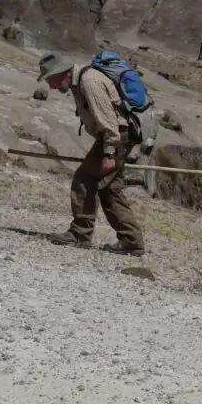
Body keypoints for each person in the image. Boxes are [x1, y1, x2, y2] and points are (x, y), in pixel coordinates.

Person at [38, 51, 145, 256]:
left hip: (117, 137)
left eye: (51, 80)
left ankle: (80, 233)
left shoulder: (89, 82)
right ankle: (131, 241)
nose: (50, 86)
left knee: (85, 178)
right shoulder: (81, 82)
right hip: (118, 135)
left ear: (62, 74)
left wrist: (109, 153)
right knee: (110, 188)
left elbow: (108, 120)